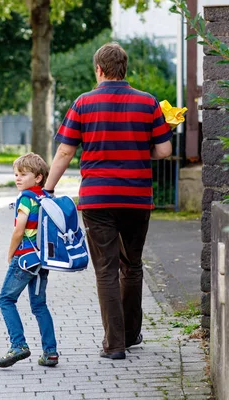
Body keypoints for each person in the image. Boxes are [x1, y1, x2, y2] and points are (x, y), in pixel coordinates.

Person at [44, 42, 173, 360]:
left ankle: (114, 345)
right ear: (124, 69)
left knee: (105, 270)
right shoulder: (148, 103)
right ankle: (131, 335)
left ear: (99, 70)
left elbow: (65, 150)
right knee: (132, 266)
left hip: (98, 199)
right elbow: (164, 151)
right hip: (136, 198)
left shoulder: (83, 103)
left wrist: (47, 189)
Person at [0, 153, 59, 368]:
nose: (18, 178)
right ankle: (50, 352)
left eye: (23, 174)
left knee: (6, 300)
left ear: (38, 177)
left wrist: (10, 253)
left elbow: (19, 230)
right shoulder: (45, 197)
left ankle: (18, 345)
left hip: (24, 259)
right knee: (39, 305)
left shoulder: (25, 198)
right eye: (16, 174)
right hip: (42, 260)